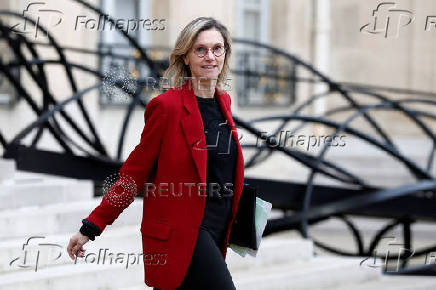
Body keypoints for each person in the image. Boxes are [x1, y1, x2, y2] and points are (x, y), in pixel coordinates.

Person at [67, 17, 244, 290]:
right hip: (184, 232)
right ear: (186, 57)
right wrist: (92, 225)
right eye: (201, 49)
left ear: (225, 54)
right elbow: (134, 173)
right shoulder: (166, 107)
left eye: (217, 49)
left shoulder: (224, 102)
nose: (210, 56)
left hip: (219, 225)